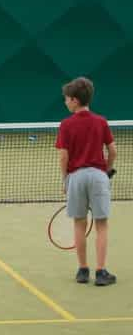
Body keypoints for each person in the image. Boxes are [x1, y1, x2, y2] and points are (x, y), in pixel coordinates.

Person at [56, 77, 117, 286]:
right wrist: (106, 170)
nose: (65, 102)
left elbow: (63, 156)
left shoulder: (65, 124)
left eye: (66, 99)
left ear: (74, 100)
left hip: (76, 178)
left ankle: (83, 271)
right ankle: (101, 273)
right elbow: (113, 151)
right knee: (102, 225)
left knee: (79, 224)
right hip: (99, 177)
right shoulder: (101, 121)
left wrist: (65, 180)